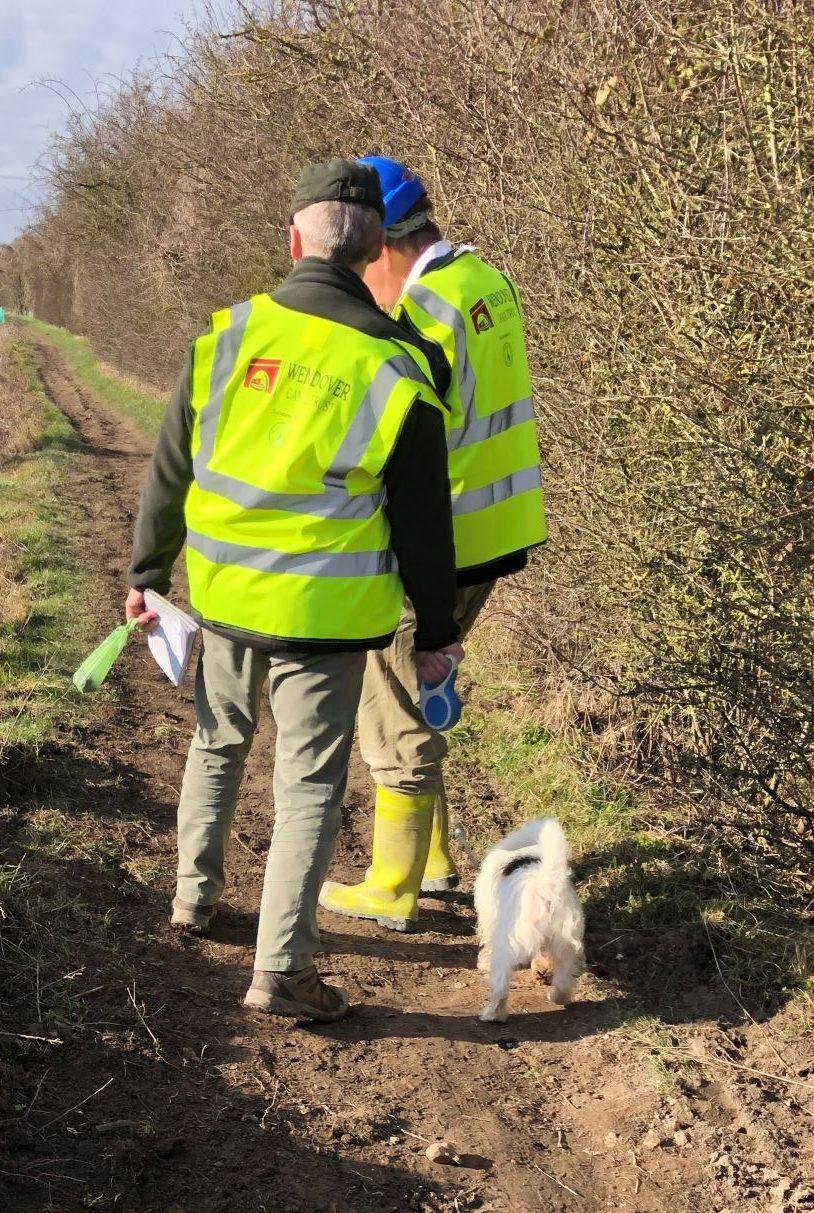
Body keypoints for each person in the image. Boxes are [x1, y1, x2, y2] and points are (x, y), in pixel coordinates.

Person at [124, 159, 461, 1021]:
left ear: (294, 240)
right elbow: (425, 521)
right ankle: (282, 973)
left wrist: (147, 573)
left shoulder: (227, 336)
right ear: (377, 248)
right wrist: (436, 629)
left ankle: (193, 901)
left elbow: (171, 467)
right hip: (326, 613)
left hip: (226, 595)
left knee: (216, 742)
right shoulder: (401, 364)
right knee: (309, 784)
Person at [319, 154, 547, 931]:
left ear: (384, 243)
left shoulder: (420, 315)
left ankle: (391, 885)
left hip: (439, 539)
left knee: (391, 703)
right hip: (496, 529)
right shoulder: (484, 284)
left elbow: (387, 439)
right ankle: (439, 863)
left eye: (358, 266)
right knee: (418, 687)